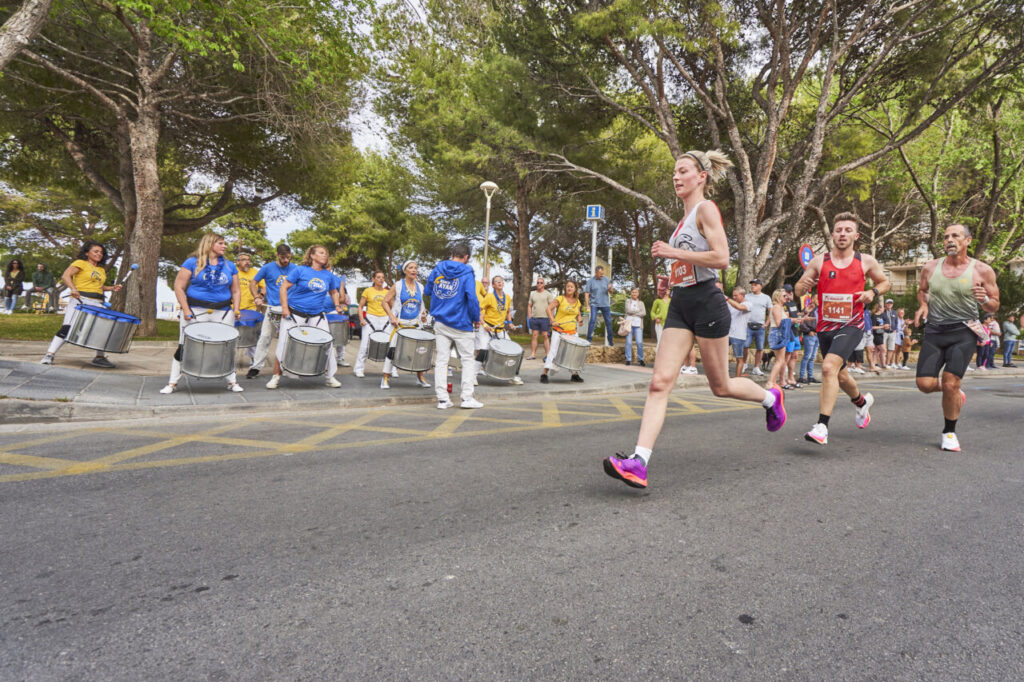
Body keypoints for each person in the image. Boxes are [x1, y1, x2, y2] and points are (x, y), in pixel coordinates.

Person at [603, 150, 787, 489]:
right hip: (680, 302)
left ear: (701, 176)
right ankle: (639, 462)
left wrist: (673, 253)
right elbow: (690, 264)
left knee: (721, 387)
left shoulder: (705, 209)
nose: (676, 177)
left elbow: (721, 258)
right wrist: (670, 277)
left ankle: (770, 398)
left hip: (707, 303)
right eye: (674, 172)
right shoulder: (682, 223)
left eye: (683, 171)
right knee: (659, 382)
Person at [794, 212, 890, 446]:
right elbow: (798, 290)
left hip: (852, 323)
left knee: (828, 368)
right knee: (839, 374)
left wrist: (872, 292)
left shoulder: (865, 260)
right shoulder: (819, 261)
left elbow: (885, 282)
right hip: (825, 325)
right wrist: (802, 286)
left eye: (848, 230)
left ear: (856, 236)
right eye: (839, 230)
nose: (843, 234)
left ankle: (821, 426)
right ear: (832, 234)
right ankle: (860, 402)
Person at [914, 223, 999, 451]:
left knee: (950, 381)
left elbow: (994, 305)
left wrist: (983, 300)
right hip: (934, 331)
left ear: (968, 241)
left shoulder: (982, 270)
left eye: (955, 236)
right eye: (946, 236)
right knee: (924, 384)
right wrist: (923, 306)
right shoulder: (930, 267)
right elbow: (922, 290)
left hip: (963, 332)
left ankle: (949, 432)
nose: (949, 240)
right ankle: (954, 391)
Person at [161, 233, 244, 394]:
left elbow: (236, 290)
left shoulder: (229, 266)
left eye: (224, 243)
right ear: (210, 244)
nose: (224, 246)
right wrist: (185, 309)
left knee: (227, 346)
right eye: (221, 243)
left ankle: (232, 381)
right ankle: (172, 383)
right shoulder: (192, 263)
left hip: (223, 311)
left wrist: (237, 309)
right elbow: (179, 286)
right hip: (195, 310)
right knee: (184, 345)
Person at [265, 244, 344, 389]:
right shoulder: (300, 270)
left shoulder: (328, 275)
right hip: (295, 314)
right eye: (321, 253)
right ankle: (276, 376)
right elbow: (283, 287)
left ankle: (329, 377)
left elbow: (333, 292)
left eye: (326, 253)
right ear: (312, 255)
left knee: (327, 344)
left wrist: (337, 305)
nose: (325, 255)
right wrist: (284, 308)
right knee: (283, 343)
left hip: (317, 315)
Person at [39, 242, 123, 367]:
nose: (99, 254)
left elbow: (99, 287)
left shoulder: (101, 270)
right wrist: (73, 288)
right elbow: (66, 276)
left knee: (101, 330)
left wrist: (112, 288)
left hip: (98, 302)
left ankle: (99, 357)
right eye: (96, 251)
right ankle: (49, 354)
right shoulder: (80, 263)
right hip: (80, 300)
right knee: (67, 328)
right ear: (86, 253)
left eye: (101, 252)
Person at [425, 242, 483, 409]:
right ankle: (466, 398)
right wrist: (475, 317)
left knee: (442, 360)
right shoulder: (467, 272)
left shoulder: (438, 269)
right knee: (467, 360)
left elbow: (428, 291)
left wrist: (437, 306)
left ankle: (443, 399)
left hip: (441, 321)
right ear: (466, 257)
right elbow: (471, 297)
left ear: (452, 254)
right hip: (461, 323)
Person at [247, 244, 297, 378]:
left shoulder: (295, 269)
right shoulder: (268, 268)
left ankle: (288, 366)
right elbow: (253, 283)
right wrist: (257, 296)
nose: (286, 260)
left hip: (290, 309)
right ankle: (256, 367)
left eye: (287, 257)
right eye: (282, 257)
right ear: (277, 255)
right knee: (264, 337)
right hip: (273, 308)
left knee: (289, 339)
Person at [380, 260, 431, 389]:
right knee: (392, 350)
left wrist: (423, 315)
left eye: (416, 268)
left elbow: (421, 306)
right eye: (411, 268)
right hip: (400, 324)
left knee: (419, 352)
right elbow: (385, 302)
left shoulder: (420, 286)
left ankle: (420, 377)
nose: (414, 270)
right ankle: (385, 378)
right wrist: (392, 317)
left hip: (415, 324)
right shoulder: (397, 285)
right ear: (405, 270)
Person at [474, 274, 524, 386]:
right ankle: (472, 376)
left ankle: (513, 375)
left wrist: (510, 323)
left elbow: (507, 313)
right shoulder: (489, 297)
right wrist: (484, 324)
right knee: (483, 350)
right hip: (487, 328)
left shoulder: (507, 297)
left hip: (500, 329)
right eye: (497, 281)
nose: (500, 283)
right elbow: (480, 312)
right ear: (493, 285)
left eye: (501, 281)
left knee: (515, 351)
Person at [540, 280, 584, 383]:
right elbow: (548, 309)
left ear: (575, 289)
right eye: (567, 286)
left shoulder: (577, 301)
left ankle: (574, 374)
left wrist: (580, 320)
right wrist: (552, 320)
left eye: (571, 287)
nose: (569, 288)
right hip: (559, 330)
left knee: (574, 353)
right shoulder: (560, 298)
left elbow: (578, 313)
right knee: (553, 352)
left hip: (572, 331)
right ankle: (544, 374)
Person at [353, 270, 391, 378]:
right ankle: (359, 369)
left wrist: (393, 318)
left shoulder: (387, 292)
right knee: (365, 345)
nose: (381, 279)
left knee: (389, 345)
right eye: (378, 277)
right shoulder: (368, 291)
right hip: (371, 319)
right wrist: (361, 319)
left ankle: (390, 369)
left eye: (382, 277)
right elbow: (360, 306)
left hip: (385, 320)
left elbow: (392, 307)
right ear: (373, 279)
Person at [235, 251, 264, 366]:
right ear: (238, 262)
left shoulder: (255, 273)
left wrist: (260, 296)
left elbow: (264, 287)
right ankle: (227, 359)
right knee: (233, 335)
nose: (247, 262)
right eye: (244, 260)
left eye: (249, 260)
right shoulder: (233, 272)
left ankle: (253, 359)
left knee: (251, 336)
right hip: (233, 308)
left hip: (251, 309)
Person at [744, 278, 771, 375]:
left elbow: (770, 311)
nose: (752, 286)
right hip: (748, 325)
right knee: (745, 345)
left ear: (760, 286)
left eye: (755, 284)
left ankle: (756, 367)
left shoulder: (766, 298)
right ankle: (744, 363)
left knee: (760, 348)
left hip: (760, 327)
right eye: (752, 284)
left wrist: (766, 324)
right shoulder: (746, 296)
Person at [583, 265, 614, 346]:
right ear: (596, 273)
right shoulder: (590, 281)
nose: (602, 275)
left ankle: (610, 341)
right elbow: (586, 294)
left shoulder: (606, 279)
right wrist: (587, 305)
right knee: (592, 320)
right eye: (600, 273)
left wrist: (610, 289)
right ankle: (589, 340)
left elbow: (611, 292)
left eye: (602, 273)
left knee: (609, 322)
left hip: (605, 304)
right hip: (594, 304)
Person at [528, 277, 554, 360]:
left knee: (545, 336)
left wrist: (551, 318)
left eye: (541, 283)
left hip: (545, 318)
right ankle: (533, 354)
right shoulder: (533, 294)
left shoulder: (548, 294)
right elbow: (529, 306)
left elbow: (552, 307)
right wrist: (529, 316)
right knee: (534, 336)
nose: (539, 284)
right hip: (535, 318)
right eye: (538, 282)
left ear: (544, 284)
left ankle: (548, 355)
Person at [726, 285, 750, 377]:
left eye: (736, 295)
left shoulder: (748, 304)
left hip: (739, 336)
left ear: (742, 295)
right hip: (728, 334)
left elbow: (739, 307)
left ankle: (738, 378)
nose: (734, 297)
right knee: (721, 355)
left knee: (739, 359)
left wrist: (727, 299)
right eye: (733, 295)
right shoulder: (732, 303)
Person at [623, 287, 646, 366]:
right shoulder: (628, 301)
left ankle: (641, 359)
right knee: (628, 342)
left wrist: (634, 313)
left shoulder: (641, 303)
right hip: (629, 324)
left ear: (638, 294)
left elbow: (644, 313)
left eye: (635, 292)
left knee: (639, 342)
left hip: (638, 324)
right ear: (631, 293)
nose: (634, 294)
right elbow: (627, 310)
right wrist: (638, 312)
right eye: (633, 292)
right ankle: (628, 359)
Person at [798, 299, 819, 383]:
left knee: (813, 357)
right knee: (807, 356)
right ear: (813, 299)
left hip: (818, 335)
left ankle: (810, 376)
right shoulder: (807, 309)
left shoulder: (819, 310)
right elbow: (801, 322)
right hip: (810, 335)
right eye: (817, 298)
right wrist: (808, 331)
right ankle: (802, 377)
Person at [881, 298, 900, 367]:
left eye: (891, 303)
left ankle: (887, 363)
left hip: (892, 332)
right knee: (882, 348)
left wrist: (895, 329)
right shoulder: (882, 312)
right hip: (884, 332)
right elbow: (879, 321)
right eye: (888, 303)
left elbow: (896, 322)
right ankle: (882, 363)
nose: (889, 304)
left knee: (891, 348)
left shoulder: (894, 312)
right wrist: (883, 326)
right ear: (885, 304)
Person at [869, 302, 886, 372]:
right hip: (876, 334)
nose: (883, 309)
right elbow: (872, 327)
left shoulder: (882, 316)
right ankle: (883, 364)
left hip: (881, 334)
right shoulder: (874, 316)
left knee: (876, 350)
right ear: (879, 308)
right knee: (883, 349)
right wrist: (882, 326)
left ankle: (875, 363)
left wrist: (885, 327)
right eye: (882, 308)